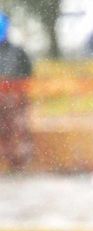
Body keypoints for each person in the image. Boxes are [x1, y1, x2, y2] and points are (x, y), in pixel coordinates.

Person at [0, 11, 33, 170]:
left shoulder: (17, 52)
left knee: (18, 130)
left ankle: (19, 163)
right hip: (5, 103)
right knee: (4, 131)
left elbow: (28, 73)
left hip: (15, 101)